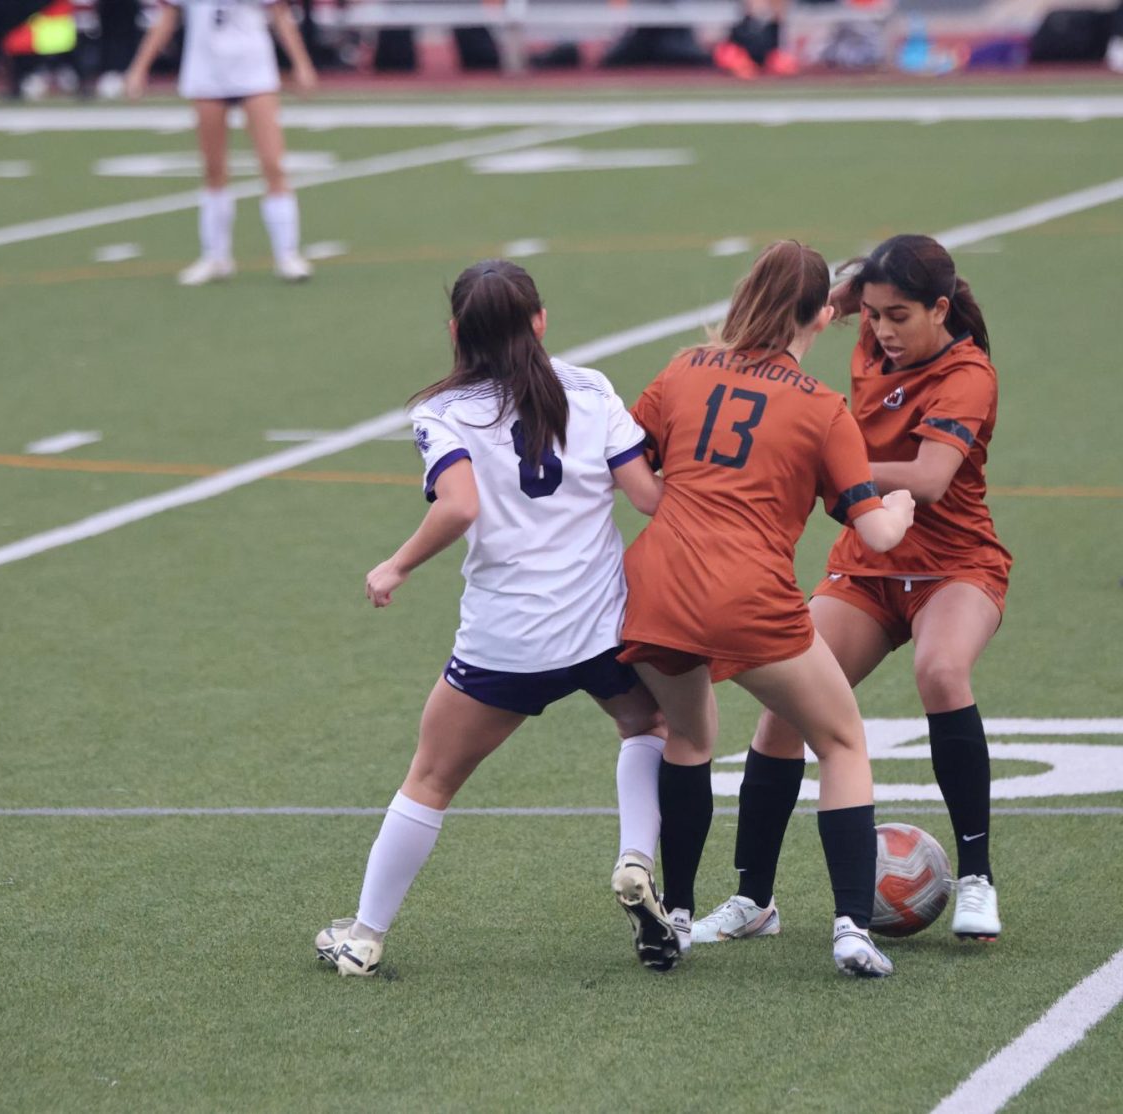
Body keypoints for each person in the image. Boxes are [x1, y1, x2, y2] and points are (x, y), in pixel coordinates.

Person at [316, 260, 679, 977]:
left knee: (429, 779)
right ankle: (636, 859)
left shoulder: (442, 412)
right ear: (540, 322)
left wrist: (395, 566)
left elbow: (459, 505)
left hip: (507, 640)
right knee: (647, 726)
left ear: (456, 333)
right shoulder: (590, 386)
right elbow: (648, 498)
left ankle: (364, 936)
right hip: (602, 626)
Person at [692, 234, 1010, 948]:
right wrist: (831, 296)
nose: (883, 331)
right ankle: (753, 899)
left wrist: (829, 459)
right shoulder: (870, 331)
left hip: (955, 565)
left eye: (900, 316)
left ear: (940, 307)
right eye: (873, 315)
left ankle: (978, 878)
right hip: (865, 565)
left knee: (941, 670)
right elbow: (815, 308)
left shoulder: (968, 374)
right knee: (783, 708)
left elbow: (929, 480)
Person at [619, 240, 915, 977]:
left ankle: (679, 916)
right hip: (747, 594)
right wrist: (903, 505)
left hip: (657, 583)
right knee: (842, 741)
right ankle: (851, 925)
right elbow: (875, 532)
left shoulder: (685, 367)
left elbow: (622, 456)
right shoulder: (820, 407)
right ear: (824, 315)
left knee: (689, 739)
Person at [123, 0, 316, 285]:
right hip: (207, 73)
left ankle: (287, 254)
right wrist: (139, 68)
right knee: (213, 168)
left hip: (254, 73)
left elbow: (280, 15)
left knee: (273, 163)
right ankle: (216, 256)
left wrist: (301, 64)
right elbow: (167, 16)